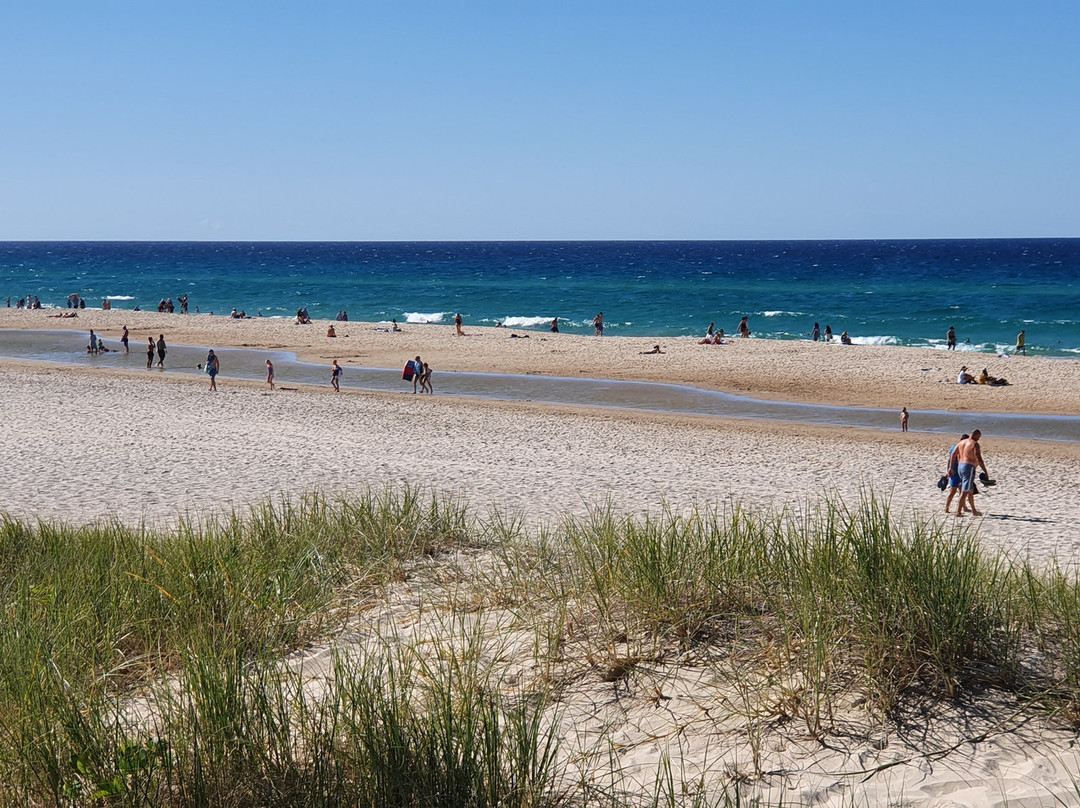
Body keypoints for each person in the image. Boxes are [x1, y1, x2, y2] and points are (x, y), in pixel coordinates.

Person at [954, 430, 989, 517]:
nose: (979, 439)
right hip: (968, 467)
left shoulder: (961, 442)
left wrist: (951, 467)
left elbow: (953, 455)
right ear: (975, 435)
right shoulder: (974, 444)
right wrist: (985, 472)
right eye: (979, 437)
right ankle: (958, 512)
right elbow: (979, 459)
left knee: (970, 490)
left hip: (960, 466)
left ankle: (974, 510)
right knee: (965, 491)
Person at [944, 434, 969, 514]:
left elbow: (949, 460)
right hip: (956, 472)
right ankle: (946, 508)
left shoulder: (953, 447)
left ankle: (964, 507)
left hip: (955, 471)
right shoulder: (959, 448)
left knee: (962, 490)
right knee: (953, 491)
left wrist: (948, 469)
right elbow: (959, 460)